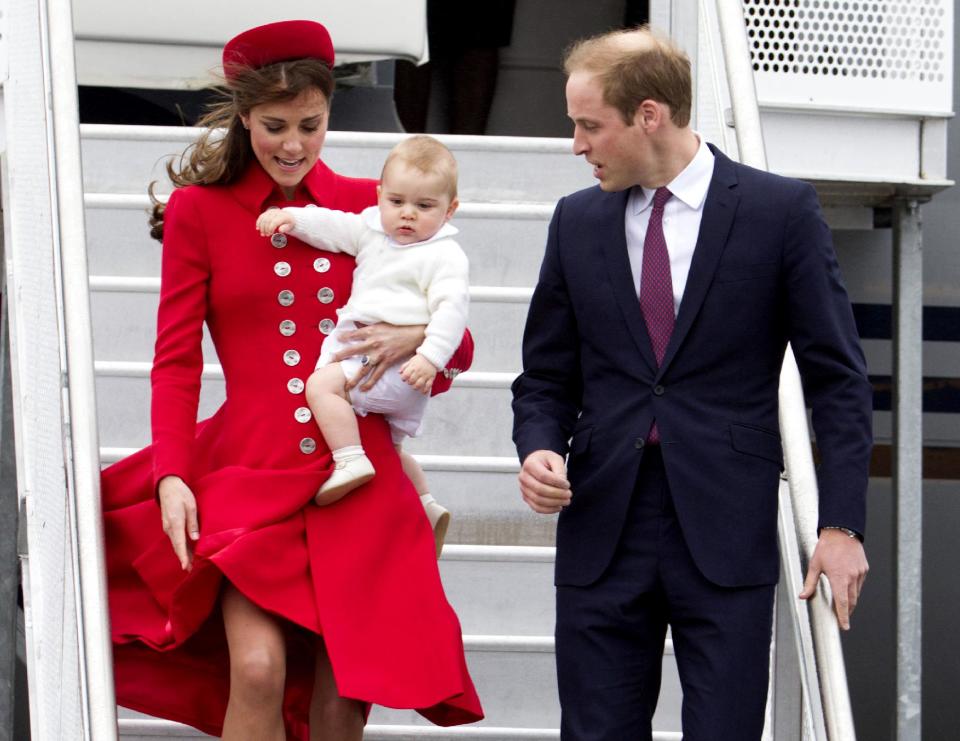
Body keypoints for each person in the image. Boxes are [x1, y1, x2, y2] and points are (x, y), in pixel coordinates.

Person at [99, 20, 482, 741]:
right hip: (251, 465)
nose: (294, 144)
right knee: (257, 667)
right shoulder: (200, 211)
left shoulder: (374, 202)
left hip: (357, 472)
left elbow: (454, 332)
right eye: (275, 126)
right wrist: (172, 473)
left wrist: (423, 342)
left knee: (345, 685)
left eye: (312, 124)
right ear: (245, 117)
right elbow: (175, 358)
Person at [511, 27, 871, 740]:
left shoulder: (779, 212)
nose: (576, 145)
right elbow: (544, 377)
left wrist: (840, 523)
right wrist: (538, 446)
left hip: (725, 527)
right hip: (602, 523)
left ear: (650, 115)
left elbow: (837, 379)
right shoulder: (576, 220)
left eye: (589, 125)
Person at [255, 134, 467, 553]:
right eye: (396, 202)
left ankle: (349, 458)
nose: (407, 215)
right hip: (400, 376)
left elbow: (452, 311)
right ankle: (424, 503)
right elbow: (334, 225)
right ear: (379, 197)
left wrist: (429, 356)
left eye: (424, 207)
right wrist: (292, 219)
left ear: (450, 210)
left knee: (320, 387)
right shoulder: (373, 230)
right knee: (390, 447)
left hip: (395, 366)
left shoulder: (445, 255)